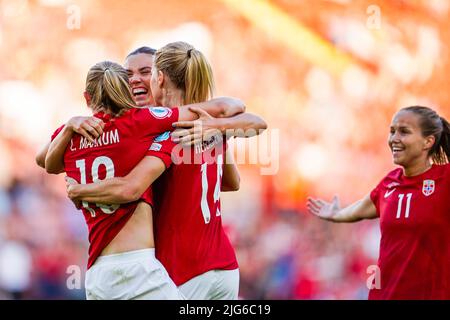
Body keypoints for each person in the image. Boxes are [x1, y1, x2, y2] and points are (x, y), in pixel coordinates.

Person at [62, 42, 267, 300]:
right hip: (224, 265)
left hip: (182, 268)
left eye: (145, 72)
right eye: (128, 75)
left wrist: (80, 190)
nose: (135, 80)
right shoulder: (204, 120)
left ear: (160, 77)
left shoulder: (156, 130)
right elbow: (231, 181)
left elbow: (130, 188)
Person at [307, 106, 450, 300]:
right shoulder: (389, 183)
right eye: (392, 131)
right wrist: (336, 214)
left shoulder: (445, 179)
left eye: (404, 132)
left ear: (428, 141)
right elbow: (359, 209)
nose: (394, 139)